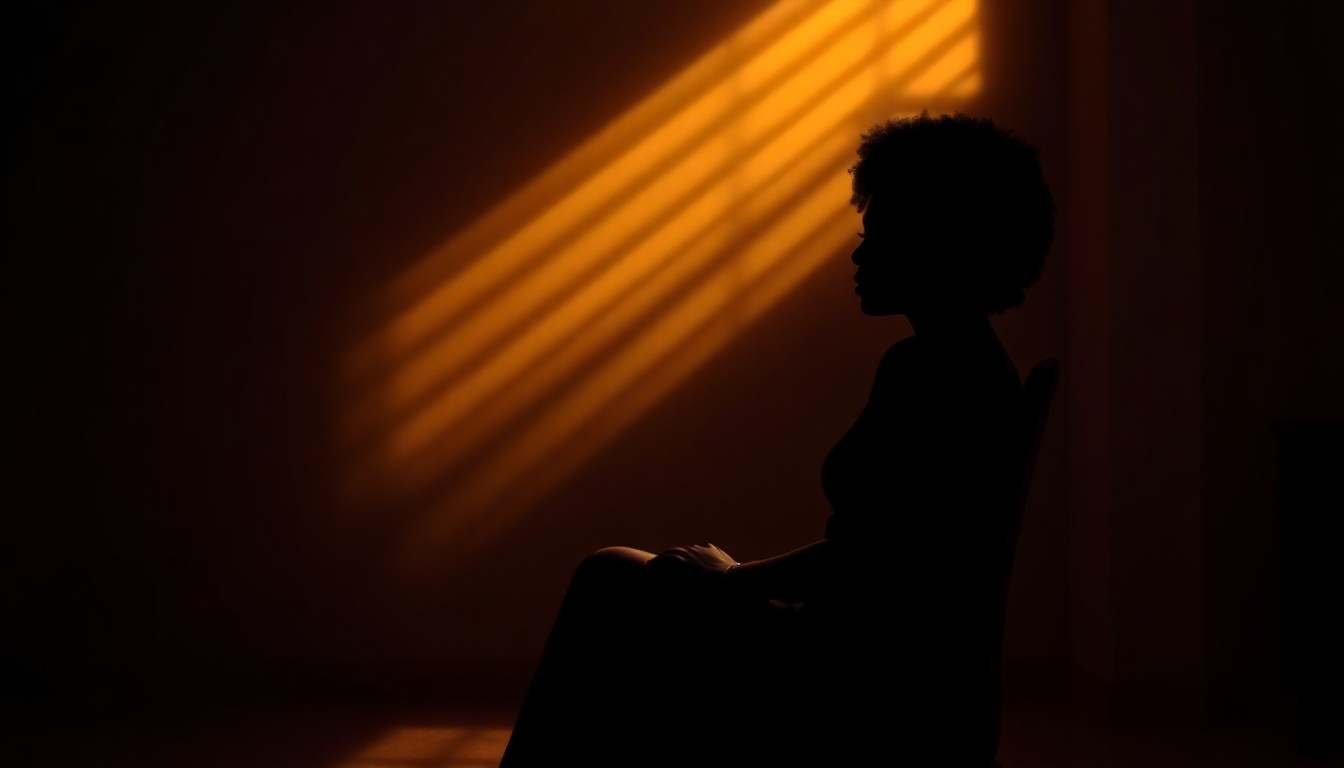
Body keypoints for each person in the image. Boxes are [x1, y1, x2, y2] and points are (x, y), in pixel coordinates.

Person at [497, 112, 1055, 768]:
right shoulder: (968, 366)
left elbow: (875, 559)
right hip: (880, 663)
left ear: (936, 243)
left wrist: (734, 579)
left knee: (610, 580)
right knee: (629, 583)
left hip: (868, 683)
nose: (858, 255)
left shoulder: (936, 373)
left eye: (878, 236)